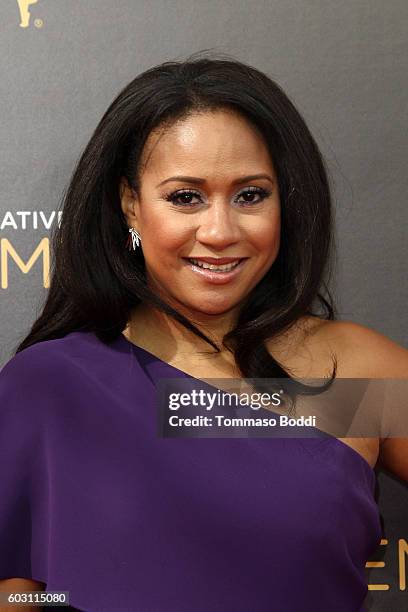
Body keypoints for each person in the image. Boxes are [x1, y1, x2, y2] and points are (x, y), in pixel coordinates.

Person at [0, 52, 407, 612]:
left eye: (251, 195)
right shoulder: (53, 386)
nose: (219, 230)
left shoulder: (350, 375)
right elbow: (18, 598)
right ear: (131, 207)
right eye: (185, 197)